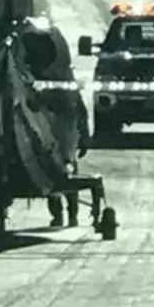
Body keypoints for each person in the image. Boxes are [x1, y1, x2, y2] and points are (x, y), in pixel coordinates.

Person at [47, 88, 91, 228]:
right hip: (58, 147)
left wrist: (84, 138)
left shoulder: (71, 96)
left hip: (63, 147)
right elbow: (83, 118)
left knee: (62, 179)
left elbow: (83, 117)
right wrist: (84, 138)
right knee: (63, 181)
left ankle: (66, 216)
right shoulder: (71, 95)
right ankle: (64, 216)